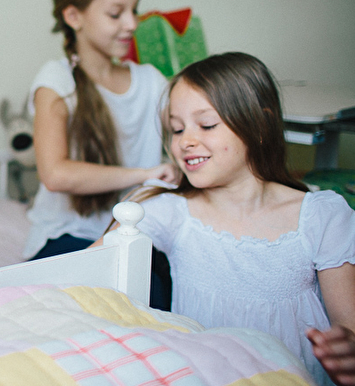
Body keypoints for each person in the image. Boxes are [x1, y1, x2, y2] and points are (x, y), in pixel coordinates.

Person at [102, 52, 354, 385]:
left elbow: (348, 327)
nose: (185, 141)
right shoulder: (172, 211)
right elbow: (86, 267)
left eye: (207, 125)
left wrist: (346, 351)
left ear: (259, 125)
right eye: (177, 129)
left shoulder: (322, 217)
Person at [24, 0, 178, 307]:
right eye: (116, 13)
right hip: (67, 237)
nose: (132, 24)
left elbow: (187, 135)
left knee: (171, 277)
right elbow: (55, 174)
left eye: (134, 10)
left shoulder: (150, 82)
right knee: (141, 289)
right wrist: (145, 174)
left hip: (133, 233)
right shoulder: (57, 82)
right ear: (73, 16)